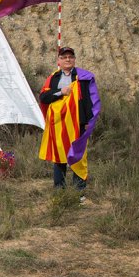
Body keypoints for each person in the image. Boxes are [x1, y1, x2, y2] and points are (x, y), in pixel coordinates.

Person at [39, 47, 101, 195]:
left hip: (77, 122)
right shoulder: (53, 78)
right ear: (58, 61)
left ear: (74, 60)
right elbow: (44, 97)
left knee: (78, 155)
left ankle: (78, 191)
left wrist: (88, 121)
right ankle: (60, 191)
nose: (68, 59)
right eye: (64, 57)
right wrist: (61, 92)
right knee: (59, 157)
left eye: (70, 57)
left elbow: (89, 100)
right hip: (58, 124)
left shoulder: (83, 78)